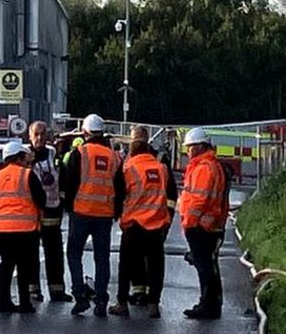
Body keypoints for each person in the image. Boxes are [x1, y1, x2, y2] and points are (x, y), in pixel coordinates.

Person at [109, 126, 178, 319]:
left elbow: (118, 195)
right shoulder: (161, 168)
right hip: (156, 226)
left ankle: (122, 303)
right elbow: (171, 195)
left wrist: (115, 217)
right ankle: (153, 304)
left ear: (132, 149)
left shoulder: (127, 168)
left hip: (133, 225)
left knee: (125, 265)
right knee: (156, 267)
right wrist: (167, 220)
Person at [64, 113, 124, 317]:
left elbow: (69, 183)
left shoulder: (79, 153)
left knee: (74, 253)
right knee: (102, 258)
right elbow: (120, 187)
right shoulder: (114, 157)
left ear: (85, 132)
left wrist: (69, 208)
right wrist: (115, 212)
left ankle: (80, 296)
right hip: (104, 215)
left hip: (81, 212)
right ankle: (100, 300)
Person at [178, 127, 229, 320]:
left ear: (200, 146)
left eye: (190, 147)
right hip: (208, 224)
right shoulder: (208, 165)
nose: (188, 151)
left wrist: (189, 222)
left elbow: (200, 199)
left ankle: (208, 305)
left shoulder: (204, 168)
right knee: (207, 266)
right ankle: (210, 303)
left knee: (205, 267)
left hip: (201, 226)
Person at [0, 141, 45, 313]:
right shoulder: (27, 175)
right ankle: (25, 303)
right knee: (23, 266)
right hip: (24, 229)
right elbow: (41, 198)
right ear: (19, 157)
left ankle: (3, 302)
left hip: (0, 229)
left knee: (6, 265)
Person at [26, 121, 72, 303]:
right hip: (32, 212)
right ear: (29, 136)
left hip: (53, 210)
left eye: (43, 134)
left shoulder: (54, 154)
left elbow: (63, 178)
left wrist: (61, 200)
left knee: (54, 253)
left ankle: (57, 290)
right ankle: (33, 290)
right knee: (30, 254)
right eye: (36, 134)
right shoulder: (24, 156)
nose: (39, 138)